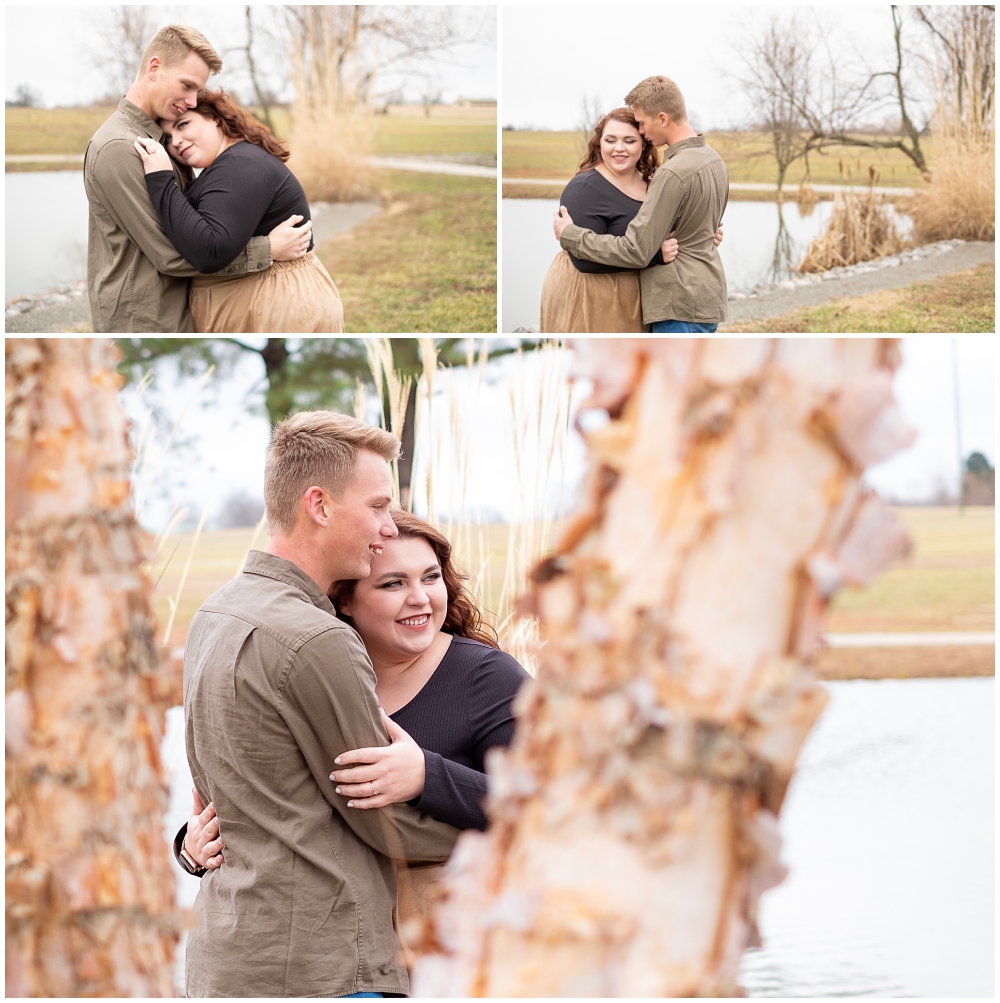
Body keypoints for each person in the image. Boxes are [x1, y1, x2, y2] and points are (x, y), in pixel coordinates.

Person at [182, 411, 461, 998]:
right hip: (322, 968)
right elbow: (383, 820)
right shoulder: (317, 639)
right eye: (379, 506)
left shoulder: (215, 613)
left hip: (225, 959)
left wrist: (187, 844)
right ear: (320, 505)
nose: (388, 527)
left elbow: (221, 799)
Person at [84, 24, 311, 333]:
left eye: (197, 91)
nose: (192, 100)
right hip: (146, 322)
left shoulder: (156, 136)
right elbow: (172, 254)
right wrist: (267, 249)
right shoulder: (120, 148)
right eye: (187, 85)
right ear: (155, 68)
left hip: (174, 312)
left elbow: (190, 222)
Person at [134, 89, 345, 333]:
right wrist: (268, 247)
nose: (176, 141)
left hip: (277, 305)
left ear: (214, 118)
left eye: (183, 125)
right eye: (168, 138)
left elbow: (209, 251)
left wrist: (161, 180)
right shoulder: (234, 161)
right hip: (267, 301)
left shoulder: (240, 164)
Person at [554, 75, 729, 333]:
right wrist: (702, 234)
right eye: (611, 140)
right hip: (706, 295)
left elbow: (637, 250)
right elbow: (701, 225)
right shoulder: (714, 160)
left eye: (642, 125)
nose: (643, 132)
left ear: (662, 118)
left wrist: (571, 235)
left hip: (678, 301)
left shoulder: (671, 173)